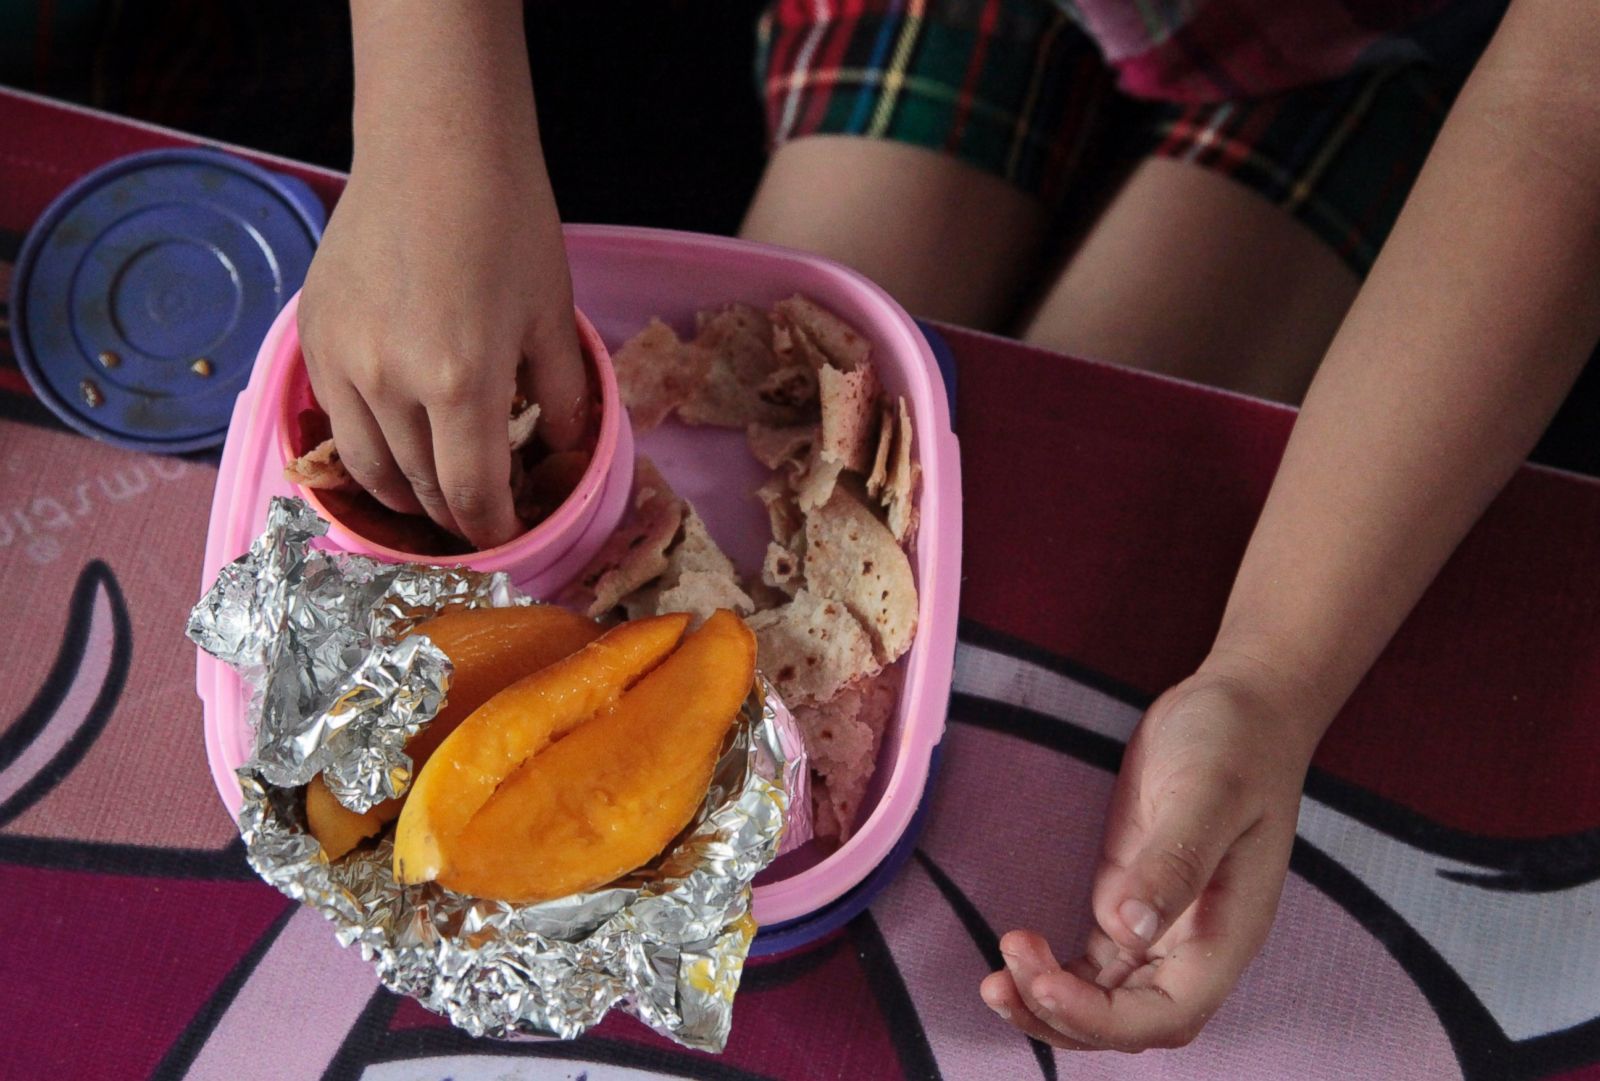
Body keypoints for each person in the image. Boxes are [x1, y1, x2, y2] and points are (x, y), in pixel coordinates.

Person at [297, 0, 1600, 1053]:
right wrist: (429, 133)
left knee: (1070, 470)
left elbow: (1564, 107)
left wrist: (1269, 676)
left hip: (1376, 52)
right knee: (811, 333)